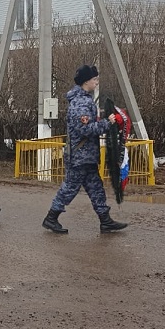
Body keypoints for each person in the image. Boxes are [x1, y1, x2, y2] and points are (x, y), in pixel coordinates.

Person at [42, 65, 127, 234]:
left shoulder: (85, 100)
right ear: (86, 81)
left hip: (86, 156)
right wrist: (107, 123)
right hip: (79, 157)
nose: (97, 82)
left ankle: (105, 220)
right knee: (69, 189)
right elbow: (85, 129)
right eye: (95, 79)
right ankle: (51, 218)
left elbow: (88, 125)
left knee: (96, 188)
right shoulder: (81, 103)